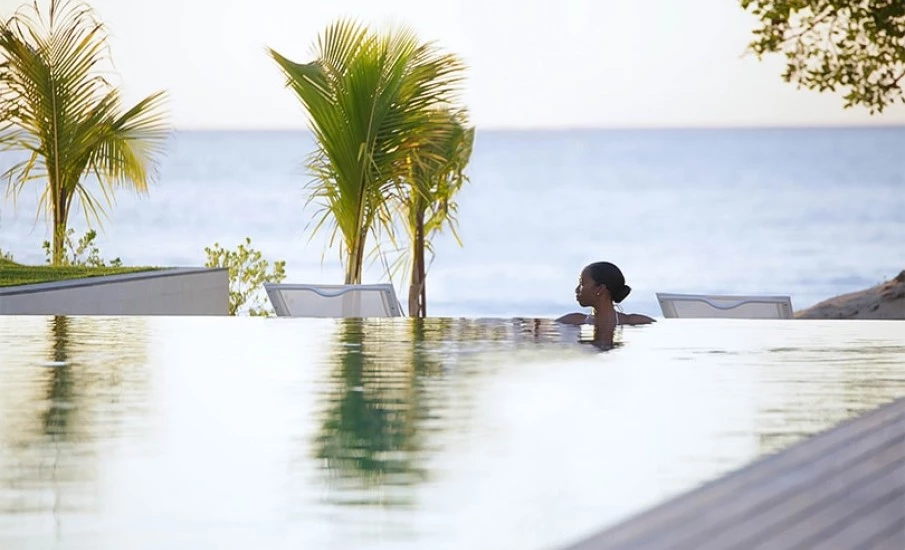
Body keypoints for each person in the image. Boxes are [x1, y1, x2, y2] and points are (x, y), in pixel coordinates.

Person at [556, 261, 655, 349]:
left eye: (582, 284)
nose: (577, 290)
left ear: (600, 289)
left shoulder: (570, 321)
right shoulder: (569, 321)